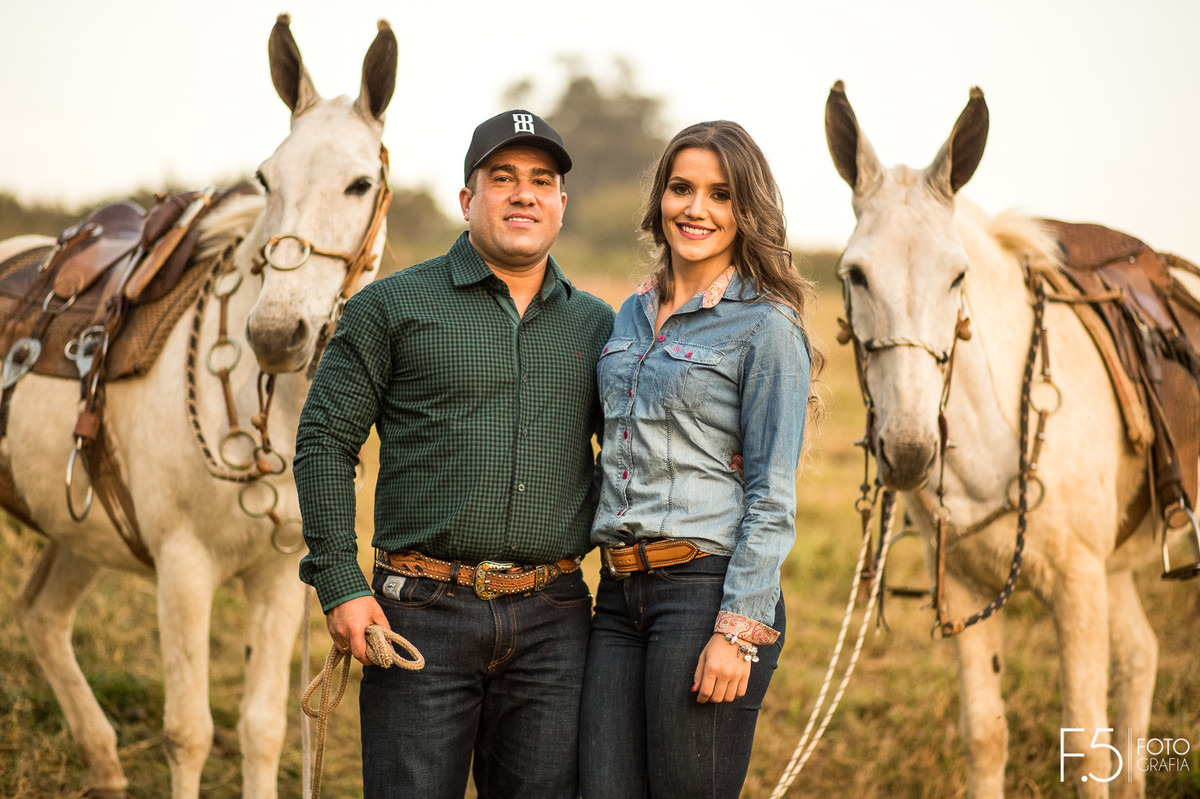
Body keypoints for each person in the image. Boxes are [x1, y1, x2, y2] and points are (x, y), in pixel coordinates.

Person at [294, 109, 615, 799]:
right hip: (420, 613)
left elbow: (634, 446)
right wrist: (340, 582)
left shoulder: (599, 325)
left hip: (556, 618)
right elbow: (323, 441)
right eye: (502, 178)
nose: (523, 193)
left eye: (541, 180)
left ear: (562, 204)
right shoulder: (389, 308)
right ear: (467, 199)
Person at [579, 120, 819, 798]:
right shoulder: (627, 315)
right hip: (618, 595)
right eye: (682, 188)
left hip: (702, 592)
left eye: (721, 195)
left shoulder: (767, 327)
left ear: (747, 212)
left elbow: (773, 493)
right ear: (659, 199)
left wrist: (737, 633)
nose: (697, 208)